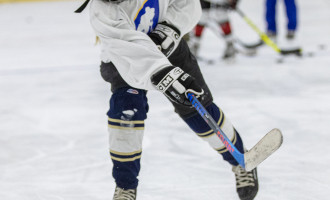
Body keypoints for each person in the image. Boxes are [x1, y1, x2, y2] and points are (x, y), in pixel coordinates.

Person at [79, 0, 258, 199]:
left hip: (170, 46)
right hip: (125, 59)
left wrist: (169, 29)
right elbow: (129, 48)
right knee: (125, 116)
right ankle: (125, 187)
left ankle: (241, 159)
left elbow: (188, 4)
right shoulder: (102, 10)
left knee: (200, 112)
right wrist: (164, 75)